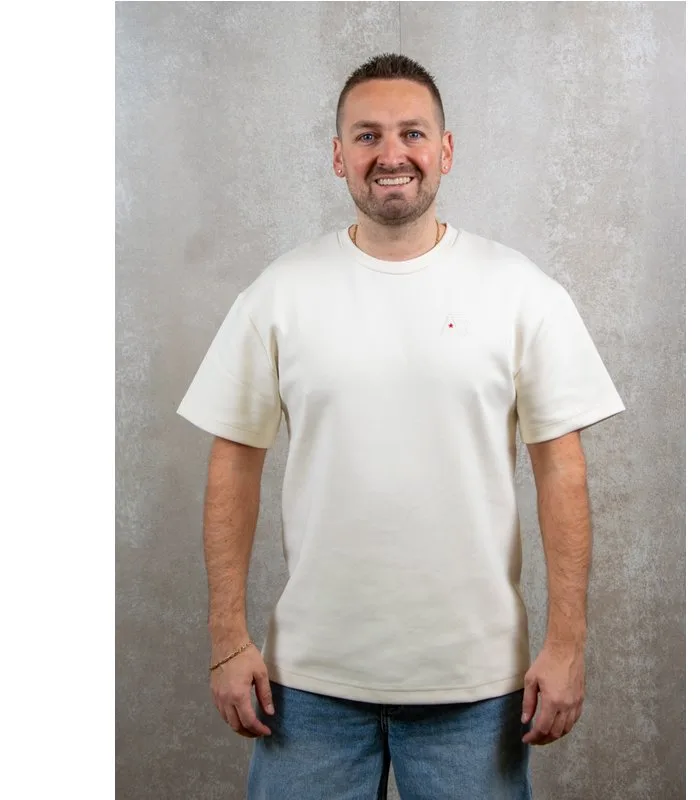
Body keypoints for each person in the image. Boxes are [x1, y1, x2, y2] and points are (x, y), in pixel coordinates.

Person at [177, 53, 625, 800]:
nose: (392, 154)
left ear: (445, 150)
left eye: (413, 133)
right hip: (308, 685)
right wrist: (227, 639)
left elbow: (561, 470)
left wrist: (568, 644)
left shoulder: (522, 292)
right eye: (368, 135)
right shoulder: (279, 293)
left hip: (477, 686)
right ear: (338, 156)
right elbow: (234, 461)